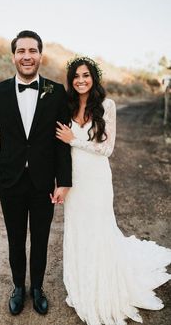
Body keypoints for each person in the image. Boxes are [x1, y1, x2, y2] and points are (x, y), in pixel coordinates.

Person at [56, 56, 171, 325]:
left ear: (93, 78)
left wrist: (76, 140)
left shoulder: (107, 105)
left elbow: (107, 149)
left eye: (86, 75)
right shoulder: (67, 106)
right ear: (71, 81)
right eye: (76, 76)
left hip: (96, 178)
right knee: (78, 229)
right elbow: (59, 148)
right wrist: (60, 181)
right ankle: (82, 280)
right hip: (74, 179)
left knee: (98, 228)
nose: (81, 80)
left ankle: (103, 283)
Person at [0, 30, 72, 316]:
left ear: (40, 55)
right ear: (14, 56)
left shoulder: (56, 92)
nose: (27, 56)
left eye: (32, 51)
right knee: (15, 238)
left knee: (42, 239)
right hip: (10, 182)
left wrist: (64, 181)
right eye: (21, 51)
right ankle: (18, 288)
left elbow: (62, 142)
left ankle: (38, 289)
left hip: (44, 183)